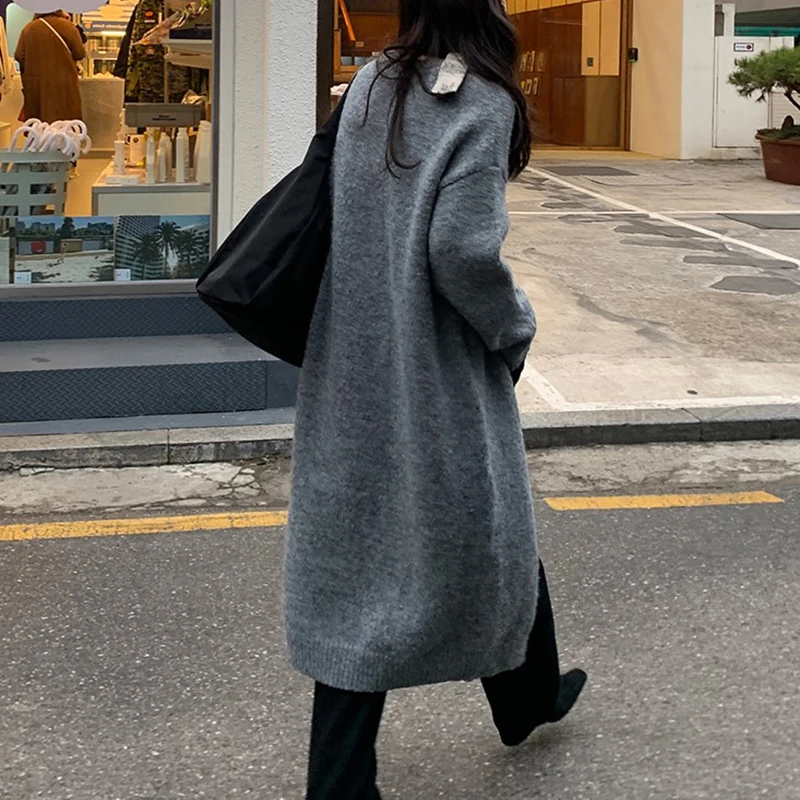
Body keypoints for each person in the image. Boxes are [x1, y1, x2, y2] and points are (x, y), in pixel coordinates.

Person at [285, 1, 587, 796]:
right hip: (436, 368)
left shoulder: (370, 85)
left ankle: (525, 697)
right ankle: (343, 783)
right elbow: (461, 251)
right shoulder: (482, 102)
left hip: (352, 358)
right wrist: (513, 328)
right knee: (478, 525)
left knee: (367, 549)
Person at [15, 10, 85, 124]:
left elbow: (19, 55)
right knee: (65, 125)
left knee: (38, 126)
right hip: (64, 87)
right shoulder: (68, 27)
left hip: (37, 88)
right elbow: (80, 53)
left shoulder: (29, 28)